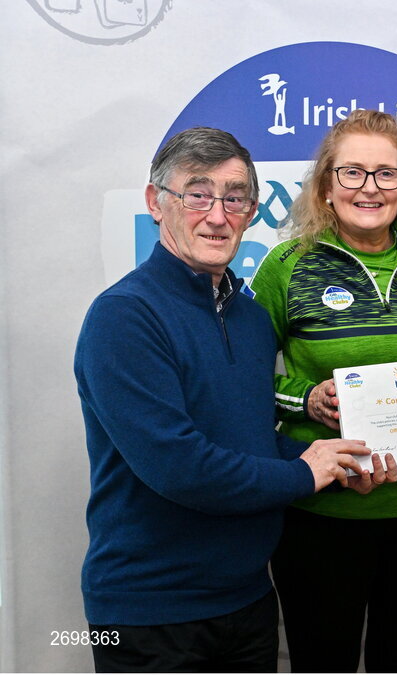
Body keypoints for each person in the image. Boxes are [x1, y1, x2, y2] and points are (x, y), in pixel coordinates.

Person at [74, 126, 375, 672]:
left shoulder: (252, 319)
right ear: (155, 204)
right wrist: (305, 473)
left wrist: (344, 458)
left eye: (234, 198)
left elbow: (255, 443)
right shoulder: (124, 316)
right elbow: (181, 467)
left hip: (248, 601)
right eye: (197, 194)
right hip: (153, 613)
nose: (217, 215)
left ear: (251, 210)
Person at [248, 109, 397, 673]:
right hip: (323, 514)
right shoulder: (286, 267)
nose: (368, 188)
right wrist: (306, 399)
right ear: (327, 186)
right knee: (321, 661)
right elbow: (242, 381)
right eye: (352, 172)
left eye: (386, 174)